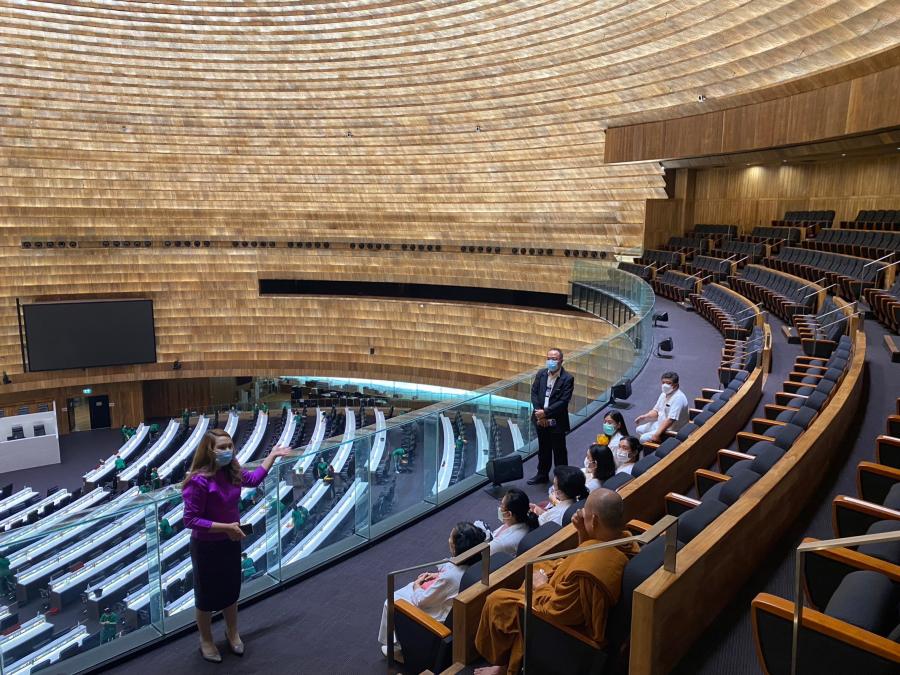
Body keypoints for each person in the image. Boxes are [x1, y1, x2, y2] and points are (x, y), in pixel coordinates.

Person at [474, 489, 636, 675]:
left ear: (594, 520)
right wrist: (583, 532)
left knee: (496, 601)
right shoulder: (625, 539)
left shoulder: (588, 574)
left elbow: (557, 612)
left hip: (560, 624)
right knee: (540, 567)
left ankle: (502, 666)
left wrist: (541, 585)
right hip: (567, 591)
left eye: (585, 513)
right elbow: (588, 551)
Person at [182, 429, 292, 663]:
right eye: (221, 447)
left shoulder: (232, 471)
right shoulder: (198, 480)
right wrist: (226, 527)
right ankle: (206, 640)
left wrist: (272, 455)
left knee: (231, 590)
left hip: (230, 541)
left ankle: (232, 632)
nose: (227, 451)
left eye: (230, 446)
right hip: (206, 547)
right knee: (206, 597)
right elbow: (190, 521)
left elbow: (254, 479)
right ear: (209, 451)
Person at [378, 522, 486, 661]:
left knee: (391, 601)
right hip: (454, 604)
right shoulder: (480, 562)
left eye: (451, 539)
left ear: (456, 547)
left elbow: (421, 601)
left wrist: (417, 585)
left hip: (439, 616)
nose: (448, 540)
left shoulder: (451, 577)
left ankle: (397, 648)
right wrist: (438, 576)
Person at [528, 348, 574, 485]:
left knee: (559, 451)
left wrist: (546, 413)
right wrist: (539, 413)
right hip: (540, 419)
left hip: (556, 421)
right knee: (543, 449)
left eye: (554, 359)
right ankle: (542, 475)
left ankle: (562, 479)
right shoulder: (541, 374)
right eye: (548, 358)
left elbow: (563, 401)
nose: (551, 361)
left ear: (561, 361)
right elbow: (534, 393)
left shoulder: (567, 378)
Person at [634, 372, 689, 443]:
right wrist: (645, 416)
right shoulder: (663, 394)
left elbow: (670, 420)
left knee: (643, 438)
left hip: (672, 429)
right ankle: (650, 445)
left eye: (668, 383)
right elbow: (656, 411)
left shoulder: (678, 398)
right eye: (663, 382)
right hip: (660, 423)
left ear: (676, 385)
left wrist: (657, 434)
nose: (665, 385)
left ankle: (657, 445)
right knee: (638, 429)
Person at [489, 488, 538, 557]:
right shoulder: (528, 522)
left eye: (501, 505)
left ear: (509, 514)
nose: (499, 508)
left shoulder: (500, 543)